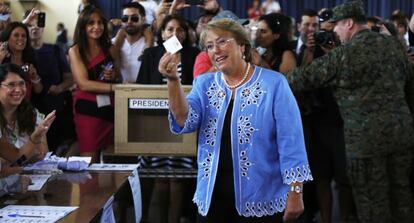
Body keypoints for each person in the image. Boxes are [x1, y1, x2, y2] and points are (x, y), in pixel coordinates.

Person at [159, 18, 312, 222]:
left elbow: (291, 140)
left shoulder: (274, 83)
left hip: (261, 195)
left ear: (242, 46)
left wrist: (295, 191)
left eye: (222, 42)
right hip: (212, 194)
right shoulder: (204, 83)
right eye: (210, 46)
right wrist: (173, 80)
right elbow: (184, 120)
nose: (215, 50)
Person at [287, 1, 414, 222]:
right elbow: (410, 85)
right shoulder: (393, 45)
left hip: (366, 143)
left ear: (349, 23)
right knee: (401, 197)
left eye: (336, 26)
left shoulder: (344, 55)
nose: (333, 31)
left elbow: (298, 79)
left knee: (373, 205)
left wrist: (260, 76)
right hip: (401, 137)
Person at [68, 6, 119, 163]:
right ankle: (88, 188)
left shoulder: (111, 48)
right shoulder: (75, 50)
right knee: (89, 159)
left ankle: (108, 188)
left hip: (110, 107)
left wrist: (114, 76)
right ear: (83, 26)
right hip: (87, 109)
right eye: (91, 23)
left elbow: (118, 74)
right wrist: (115, 88)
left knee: (110, 158)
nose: (97, 27)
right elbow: (83, 84)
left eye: (100, 23)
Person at [23, 9, 75, 152]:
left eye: (38, 24)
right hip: (29, 108)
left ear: (43, 26)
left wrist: (59, 88)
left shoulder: (55, 50)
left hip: (53, 108)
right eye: (30, 25)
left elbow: (69, 78)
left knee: (53, 147)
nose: (34, 28)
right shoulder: (21, 52)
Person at [0, 22, 43, 100]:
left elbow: (38, 90)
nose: (21, 38)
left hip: (25, 108)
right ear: (7, 40)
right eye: (16, 35)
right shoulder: (2, 61)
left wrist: (34, 77)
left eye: (24, 36)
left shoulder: (30, 59)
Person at [113, 2, 152, 83]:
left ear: (143, 20)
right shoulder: (112, 44)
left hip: (145, 93)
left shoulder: (152, 45)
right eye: (125, 18)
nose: (129, 22)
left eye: (134, 18)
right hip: (120, 93)